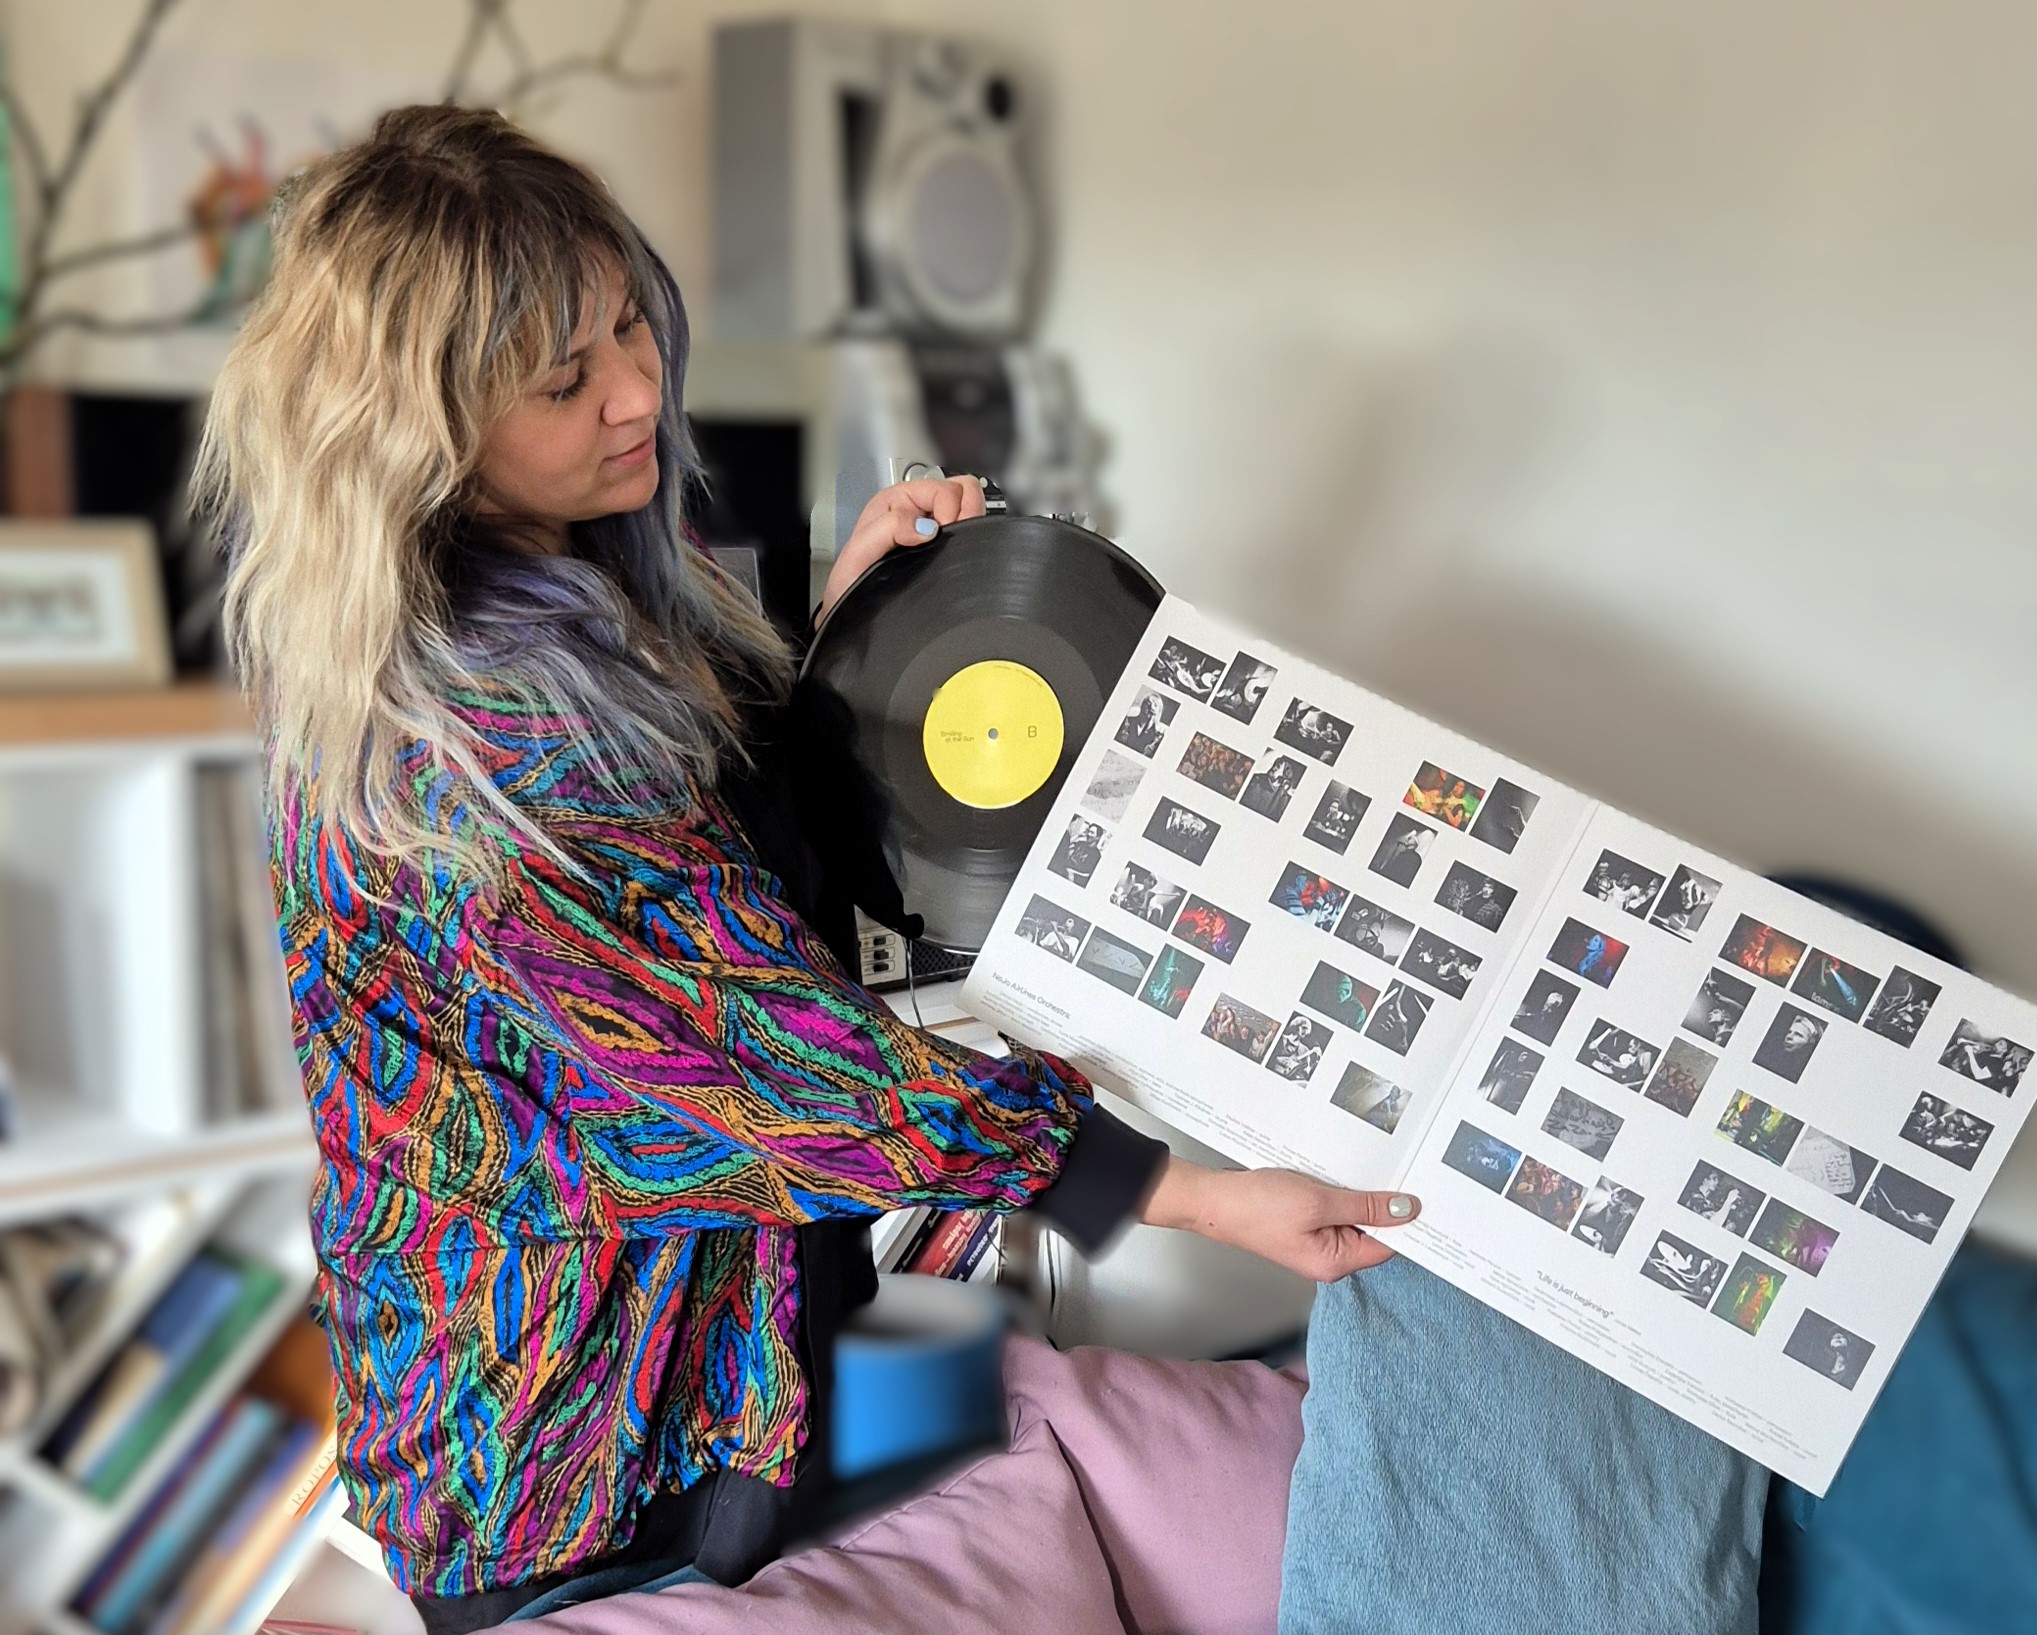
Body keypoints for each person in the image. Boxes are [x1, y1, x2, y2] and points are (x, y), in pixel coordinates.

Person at [200, 106, 1423, 1629]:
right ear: (420, 436)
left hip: (733, 1355)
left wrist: (843, 629)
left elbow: (705, 865)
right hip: (573, 1451)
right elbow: (762, 1051)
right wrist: (1195, 1198)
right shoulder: (470, 742)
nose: (639, 390)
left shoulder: (582, 577)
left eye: (630, 324)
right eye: (564, 381)